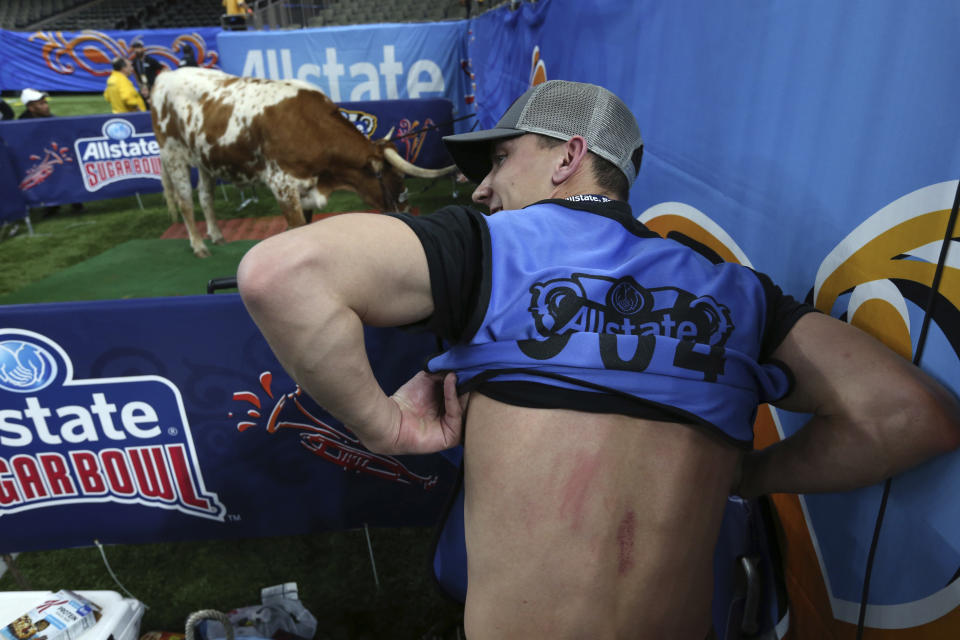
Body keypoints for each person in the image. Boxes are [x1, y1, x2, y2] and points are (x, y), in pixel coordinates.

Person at [236, 80, 960, 639]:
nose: (482, 187)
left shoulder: (494, 246)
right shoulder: (737, 292)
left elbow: (280, 275)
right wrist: (751, 474)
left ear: (570, 156)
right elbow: (910, 416)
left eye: (500, 159)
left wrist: (383, 429)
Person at [129, 38, 163, 107]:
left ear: (143, 48)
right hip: (144, 88)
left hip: (153, 86)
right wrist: (140, 85)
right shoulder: (135, 61)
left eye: (138, 48)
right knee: (145, 106)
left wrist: (158, 83)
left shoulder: (150, 60)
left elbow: (162, 69)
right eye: (135, 48)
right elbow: (135, 73)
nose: (136, 50)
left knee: (155, 105)